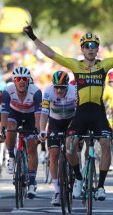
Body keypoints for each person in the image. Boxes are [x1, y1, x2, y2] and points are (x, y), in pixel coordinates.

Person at [24, 19, 113, 201]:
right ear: (82, 49)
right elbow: (51, 54)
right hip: (82, 112)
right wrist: (33, 37)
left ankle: (101, 186)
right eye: (87, 46)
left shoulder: (104, 65)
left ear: (97, 48)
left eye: (94, 46)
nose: (90, 49)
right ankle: (78, 178)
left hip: (98, 111)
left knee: (106, 144)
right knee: (70, 147)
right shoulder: (76, 66)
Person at [0, 67, 42, 199]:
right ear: (14, 81)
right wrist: (2, 131)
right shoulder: (8, 91)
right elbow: (4, 114)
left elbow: (39, 115)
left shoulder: (36, 92)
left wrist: (37, 132)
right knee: (10, 127)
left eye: (24, 79)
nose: (21, 81)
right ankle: (11, 156)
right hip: (14, 114)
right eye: (18, 79)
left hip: (30, 116)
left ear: (29, 81)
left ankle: (33, 181)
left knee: (32, 146)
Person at [38, 71, 77, 206]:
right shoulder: (48, 92)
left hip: (71, 121)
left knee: (71, 150)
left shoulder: (74, 92)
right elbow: (44, 114)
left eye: (62, 87)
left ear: (67, 86)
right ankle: (57, 191)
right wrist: (42, 130)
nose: (59, 90)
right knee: (53, 154)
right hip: (55, 122)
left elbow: (80, 112)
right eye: (56, 87)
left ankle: (76, 174)